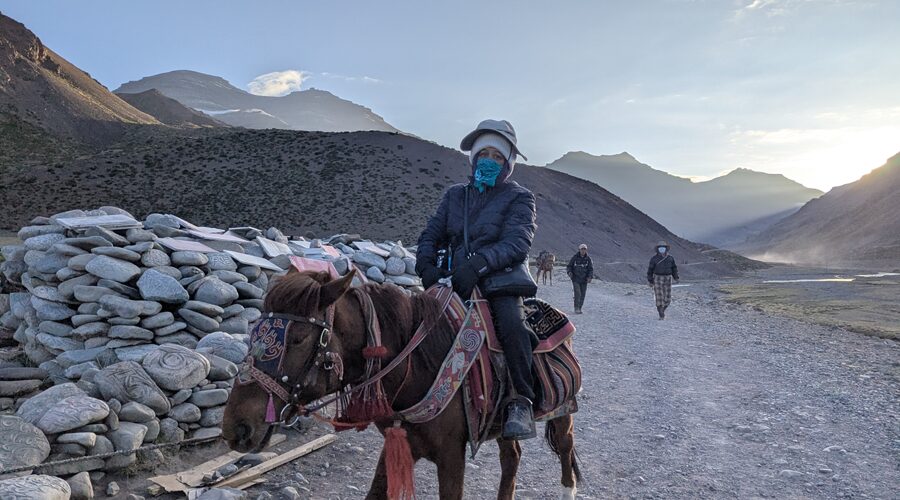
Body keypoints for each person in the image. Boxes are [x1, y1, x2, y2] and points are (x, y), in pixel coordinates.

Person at [415, 119, 539, 440]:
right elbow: (431, 233)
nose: (489, 160)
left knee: (512, 325)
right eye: (483, 154)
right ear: (473, 158)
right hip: (453, 280)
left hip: (497, 283)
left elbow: (517, 242)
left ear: (508, 164)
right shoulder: (455, 195)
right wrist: (426, 266)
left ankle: (521, 401)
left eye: (497, 156)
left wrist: (480, 265)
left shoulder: (520, 198)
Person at [647, 240, 679, 319]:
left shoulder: (670, 258)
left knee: (667, 297)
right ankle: (661, 313)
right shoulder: (654, 259)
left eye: (663, 247)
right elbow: (650, 270)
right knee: (659, 296)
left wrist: (676, 277)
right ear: (657, 249)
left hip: (668, 278)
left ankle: (662, 310)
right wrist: (650, 280)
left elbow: (674, 268)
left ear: (666, 249)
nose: (662, 249)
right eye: (660, 247)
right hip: (657, 278)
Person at [566, 243, 594, 314]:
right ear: (579, 250)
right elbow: (569, 266)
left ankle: (580, 307)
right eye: (582, 249)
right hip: (575, 279)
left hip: (584, 280)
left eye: (584, 249)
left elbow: (590, 269)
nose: (583, 251)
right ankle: (576, 308)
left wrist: (590, 277)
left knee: (582, 294)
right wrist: (569, 272)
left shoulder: (588, 259)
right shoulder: (574, 258)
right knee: (577, 293)